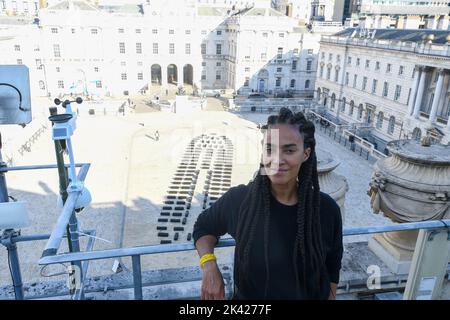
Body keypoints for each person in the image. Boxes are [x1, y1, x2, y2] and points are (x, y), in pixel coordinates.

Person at [193, 107, 343, 300]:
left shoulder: (326, 210)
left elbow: (332, 267)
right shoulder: (240, 201)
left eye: (289, 150)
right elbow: (203, 227)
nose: (276, 160)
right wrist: (209, 266)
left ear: (306, 154)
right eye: (269, 148)